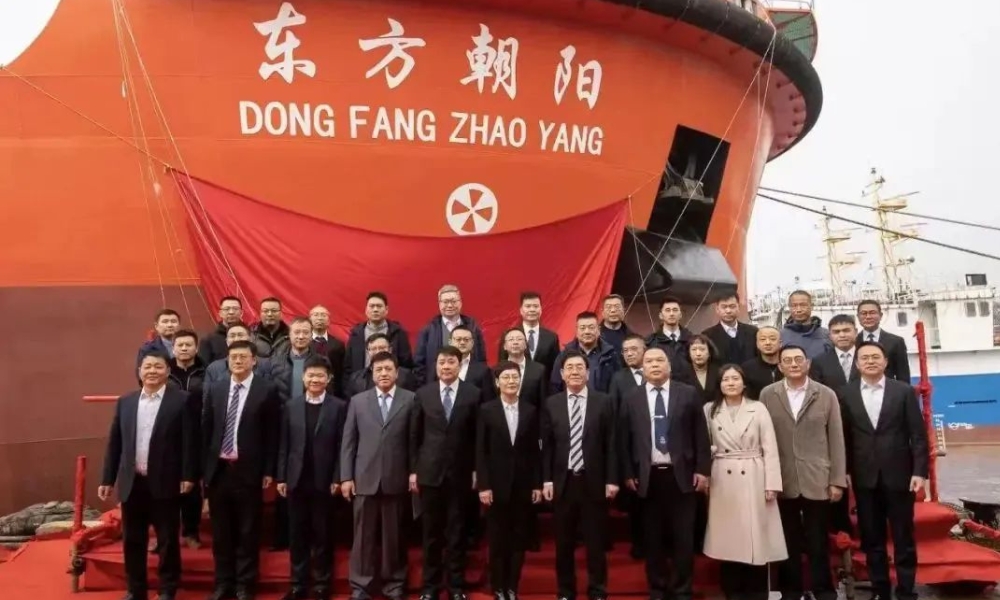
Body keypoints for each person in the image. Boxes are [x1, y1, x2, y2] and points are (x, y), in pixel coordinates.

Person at [99, 351, 197, 600]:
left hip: (166, 481)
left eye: (158, 366)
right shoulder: (126, 402)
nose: (152, 371)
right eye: (148, 367)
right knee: (133, 540)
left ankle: (167, 589)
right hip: (133, 483)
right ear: (139, 371)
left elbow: (190, 442)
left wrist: (188, 475)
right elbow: (115, 443)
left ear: (168, 371)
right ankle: (135, 590)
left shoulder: (182, 401)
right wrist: (108, 478)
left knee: (167, 540)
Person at [619, 347, 711, 600]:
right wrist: (627, 472)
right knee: (653, 538)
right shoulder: (631, 397)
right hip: (647, 478)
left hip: (682, 476)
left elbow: (701, 435)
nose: (654, 364)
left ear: (669, 366)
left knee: (684, 538)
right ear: (642, 368)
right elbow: (624, 439)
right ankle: (657, 589)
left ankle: (682, 589)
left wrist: (703, 470)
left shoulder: (688, 393)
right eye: (649, 361)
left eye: (660, 360)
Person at [840, 341, 928, 600]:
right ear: (857, 364)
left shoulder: (903, 392)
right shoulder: (845, 394)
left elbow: (918, 435)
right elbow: (843, 437)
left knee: (903, 537)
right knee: (872, 539)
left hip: (900, 475)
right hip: (864, 477)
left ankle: (906, 590)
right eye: (864, 357)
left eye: (875, 357)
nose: (870, 361)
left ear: (886, 362)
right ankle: (880, 590)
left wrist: (919, 471)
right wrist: (845, 470)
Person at [759, 344, 846, 600]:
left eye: (799, 359)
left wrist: (837, 480)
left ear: (808, 364)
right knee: (788, 539)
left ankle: (824, 590)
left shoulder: (826, 394)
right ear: (780, 366)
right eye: (787, 360)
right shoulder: (768, 394)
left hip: (817, 478)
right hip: (782, 477)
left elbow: (836, 439)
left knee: (818, 540)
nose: (794, 364)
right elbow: (762, 437)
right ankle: (790, 590)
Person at [202, 340, 281, 600]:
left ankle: (245, 584)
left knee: (248, 531)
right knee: (221, 532)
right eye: (233, 356)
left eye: (243, 357)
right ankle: (223, 582)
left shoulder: (266, 389)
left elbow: (272, 434)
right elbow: (206, 429)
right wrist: (204, 468)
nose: (237, 361)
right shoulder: (216, 388)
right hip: (219, 470)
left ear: (253, 360)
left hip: (249, 471)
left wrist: (269, 469)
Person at [702, 364, 786, 600]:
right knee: (728, 538)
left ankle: (756, 592)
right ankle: (733, 592)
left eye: (735, 378)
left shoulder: (757, 408)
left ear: (744, 383)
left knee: (756, 536)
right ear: (719, 384)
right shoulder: (709, 409)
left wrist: (772, 484)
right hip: (722, 477)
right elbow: (702, 443)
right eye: (725, 379)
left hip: (753, 474)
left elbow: (770, 447)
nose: (730, 383)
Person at [541, 350, 618, 600]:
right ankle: (566, 591)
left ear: (588, 372)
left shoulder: (604, 401)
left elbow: (612, 444)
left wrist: (612, 479)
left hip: (593, 481)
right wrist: (547, 479)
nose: (574, 371)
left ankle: (598, 590)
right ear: (562, 374)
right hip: (563, 483)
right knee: (563, 544)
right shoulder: (551, 403)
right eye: (569, 368)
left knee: (596, 542)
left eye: (579, 367)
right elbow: (547, 447)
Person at [340, 351, 416, 600]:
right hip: (364, 478)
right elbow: (348, 442)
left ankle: (394, 583)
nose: (383, 373)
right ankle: (360, 586)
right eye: (379, 369)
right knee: (363, 536)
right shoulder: (358, 401)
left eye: (388, 369)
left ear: (397, 373)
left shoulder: (410, 399)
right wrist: (346, 477)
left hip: (397, 477)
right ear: (372, 373)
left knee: (394, 535)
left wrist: (413, 473)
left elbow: (414, 441)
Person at [410, 346, 481, 600]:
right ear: (436, 365)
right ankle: (430, 586)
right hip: (429, 472)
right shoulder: (424, 393)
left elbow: (478, 437)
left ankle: (456, 586)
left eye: (451, 362)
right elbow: (415, 435)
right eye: (442, 362)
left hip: (461, 473)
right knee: (431, 533)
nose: (446, 366)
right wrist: (413, 470)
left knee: (456, 532)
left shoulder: (473, 394)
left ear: (459, 365)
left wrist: (477, 469)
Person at [276, 355, 349, 600]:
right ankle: (298, 584)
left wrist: (338, 477)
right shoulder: (291, 406)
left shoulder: (339, 407)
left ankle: (321, 584)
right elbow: (284, 445)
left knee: (323, 535)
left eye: (320, 375)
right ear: (303, 377)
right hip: (296, 480)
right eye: (311, 375)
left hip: (324, 481)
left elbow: (342, 446)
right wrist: (281, 477)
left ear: (329, 379)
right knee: (297, 535)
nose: (315, 379)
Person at [476, 361, 543, 600]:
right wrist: (484, 485)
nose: (511, 381)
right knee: (497, 540)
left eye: (515, 377)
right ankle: (498, 587)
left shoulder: (531, 410)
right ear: (497, 382)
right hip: (495, 486)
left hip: (523, 486)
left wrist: (537, 484)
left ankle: (512, 586)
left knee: (518, 540)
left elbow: (535, 452)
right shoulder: (486, 410)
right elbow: (481, 451)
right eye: (506, 377)